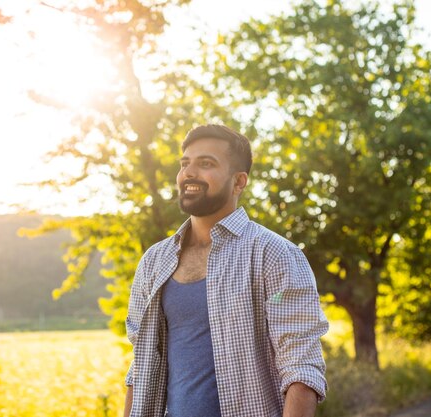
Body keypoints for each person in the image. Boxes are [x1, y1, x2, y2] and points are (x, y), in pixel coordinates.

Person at [123, 124, 328, 417]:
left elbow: (301, 369)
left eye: (206, 164)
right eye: (185, 164)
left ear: (239, 181)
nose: (189, 173)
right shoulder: (154, 261)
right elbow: (140, 368)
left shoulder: (275, 254)